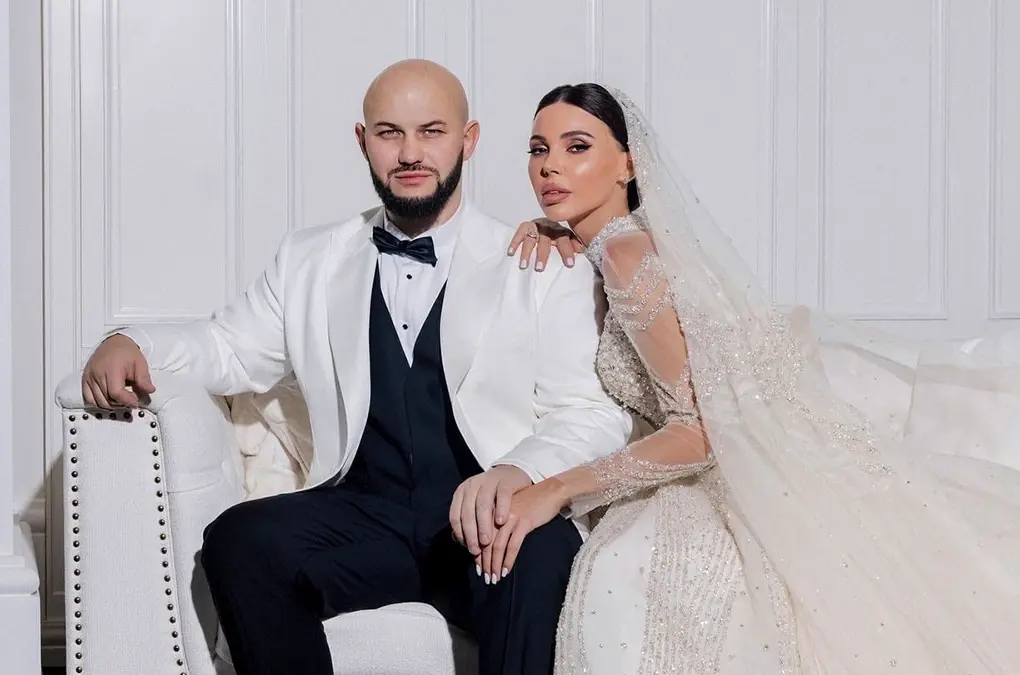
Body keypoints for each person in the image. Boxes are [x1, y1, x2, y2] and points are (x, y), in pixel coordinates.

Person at [481, 82, 1020, 674]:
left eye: (577, 147)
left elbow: (698, 430)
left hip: (732, 457)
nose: (550, 168)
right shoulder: (619, 243)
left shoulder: (626, 257)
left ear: (627, 164)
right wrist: (556, 230)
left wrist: (559, 487)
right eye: (539, 150)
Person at [78, 61, 631, 675]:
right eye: (390, 133)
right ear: (363, 141)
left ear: (468, 141)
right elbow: (228, 346)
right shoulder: (309, 260)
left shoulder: (541, 263)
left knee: (541, 550)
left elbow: (590, 413)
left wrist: (517, 470)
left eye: (432, 132)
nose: (410, 153)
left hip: (485, 517)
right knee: (240, 541)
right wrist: (133, 341)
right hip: (365, 511)